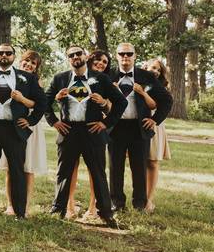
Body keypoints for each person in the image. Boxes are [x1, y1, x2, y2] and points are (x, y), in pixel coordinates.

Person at [46, 45, 127, 229]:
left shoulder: (101, 78)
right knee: (63, 173)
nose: (75, 57)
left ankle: (106, 214)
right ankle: (57, 210)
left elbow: (121, 102)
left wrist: (106, 123)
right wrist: (54, 121)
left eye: (78, 54)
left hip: (93, 131)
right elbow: (44, 101)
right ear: (68, 59)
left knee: (98, 174)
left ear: (85, 56)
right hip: (68, 131)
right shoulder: (60, 78)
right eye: (71, 55)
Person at [0, 43, 45, 220]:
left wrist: (30, 120)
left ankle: (20, 212)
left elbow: (42, 102)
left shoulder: (27, 77)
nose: (4, 55)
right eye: (0, 53)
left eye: (8, 53)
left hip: (15, 129)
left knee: (17, 170)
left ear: (14, 56)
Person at [108, 43, 172, 212]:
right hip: (116, 127)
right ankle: (116, 203)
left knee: (139, 167)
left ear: (135, 56)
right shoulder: (108, 76)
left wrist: (155, 120)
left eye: (129, 53)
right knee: (115, 167)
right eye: (122, 53)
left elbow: (166, 100)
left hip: (138, 127)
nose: (125, 57)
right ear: (117, 56)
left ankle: (139, 204)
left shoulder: (146, 76)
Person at [0, 50, 48, 216]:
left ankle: (25, 206)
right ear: (20, 62)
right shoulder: (10, 78)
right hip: (11, 127)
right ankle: (10, 205)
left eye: (33, 63)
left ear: (36, 68)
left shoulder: (36, 82)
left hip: (29, 126)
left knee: (27, 168)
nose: (29, 64)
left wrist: (22, 100)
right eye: (26, 61)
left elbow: (40, 105)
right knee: (10, 168)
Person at [144, 58, 172, 212]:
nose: (155, 71)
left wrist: (155, 120)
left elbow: (165, 105)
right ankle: (140, 197)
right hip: (138, 124)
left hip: (155, 123)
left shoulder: (160, 88)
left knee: (152, 162)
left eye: (158, 69)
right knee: (139, 162)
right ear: (145, 67)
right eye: (152, 67)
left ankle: (149, 200)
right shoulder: (138, 82)